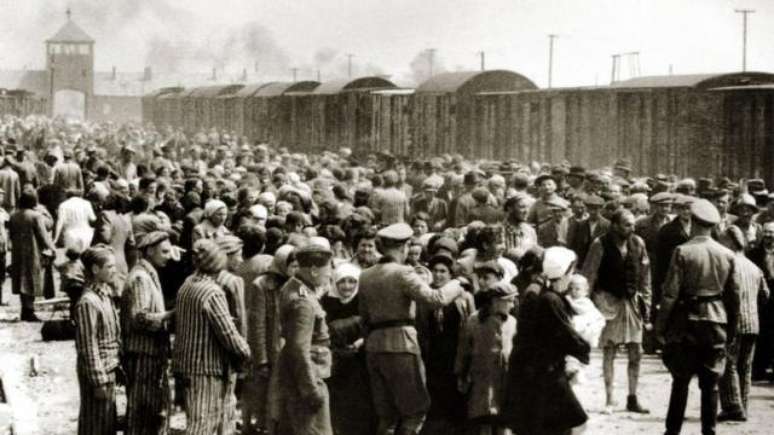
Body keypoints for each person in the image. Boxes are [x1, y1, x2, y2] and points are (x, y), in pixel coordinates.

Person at [359, 223, 465, 435]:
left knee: (387, 415)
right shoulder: (403, 273)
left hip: (374, 346)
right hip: (402, 346)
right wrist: (457, 284)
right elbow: (435, 299)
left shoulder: (366, 275)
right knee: (415, 410)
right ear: (404, 247)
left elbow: (364, 318)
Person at [655, 199, 741, 435]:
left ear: (693, 222)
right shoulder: (727, 254)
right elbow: (734, 298)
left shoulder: (682, 251)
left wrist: (661, 327)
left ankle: (672, 432)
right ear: (712, 226)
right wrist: (731, 330)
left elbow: (670, 294)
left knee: (680, 381)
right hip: (716, 322)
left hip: (686, 322)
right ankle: (709, 431)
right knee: (710, 383)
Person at [502, 247, 590, 435]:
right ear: (563, 272)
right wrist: (584, 347)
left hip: (530, 371)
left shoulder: (539, 292)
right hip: (542, 373)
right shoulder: (550, 299)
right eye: (571, 271)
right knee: (566, 424)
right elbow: (567, 335)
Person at [173, 239, 251, 434]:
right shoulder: (212, 292)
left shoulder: (187, 283)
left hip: (187, 364)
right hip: (207, 368)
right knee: (203, 426)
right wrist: (245, 352)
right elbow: (228, 333)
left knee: (198, 421)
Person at [582, 209, 651, 414]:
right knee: (609, 351)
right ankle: (609, 399)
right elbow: (589, 275)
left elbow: (646, 276)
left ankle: (632, 397)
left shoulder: (638, 243)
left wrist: (646, 302)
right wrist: (588, 306)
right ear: (614, 225)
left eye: (633, 225)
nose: (631, 228)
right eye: (627, 224)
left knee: (636, 352)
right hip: (608, 302)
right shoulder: (599, 244)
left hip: (631, 303)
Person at [276, 242, 335, 435]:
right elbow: (299, 349)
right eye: (328, 269)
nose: (330, 274)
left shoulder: (294, 287)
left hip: (298, 376)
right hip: (307, 378)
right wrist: (311, 390)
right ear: (314, 270)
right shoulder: (303, 301)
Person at [121, 231, 175, 435]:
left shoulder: (148, 274)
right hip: (143, 354)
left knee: (151, 411)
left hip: (150, 353)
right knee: (143, 412)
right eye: (164, 251)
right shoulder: (141, 278)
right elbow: (139, 318)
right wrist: (169, 315)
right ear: (150, 251)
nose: (169, 256)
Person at [718, 226, 770, 421]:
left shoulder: (728, 265)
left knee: (728, 364)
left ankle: (732, 406)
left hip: (734, 322)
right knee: (746, 366)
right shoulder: (754, 267)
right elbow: (765, 295)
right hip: (753, 322)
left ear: (731, 241)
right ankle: (743, 406)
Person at [420, 253, 475, 434]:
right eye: (435, 271)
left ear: (451, 275)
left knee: (456, 396)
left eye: (443, 271)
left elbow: (471, 324)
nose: (438, 275)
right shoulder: (425, 297)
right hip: (433, 354)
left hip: (455, 351)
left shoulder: (464, 297)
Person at [320, 262, 376, 435]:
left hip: (361, 356)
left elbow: (372, 325)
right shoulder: (327, 301)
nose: (347, 286)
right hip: (336, 357)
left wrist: (361, 341)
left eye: (352, 281)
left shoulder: (365, 300)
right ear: (335, 283)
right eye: (342, 282)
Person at [455, 282, 517, 435]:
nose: (512, 304)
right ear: (496, 301)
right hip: (482, 378)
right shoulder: (475, 320)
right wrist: (460, 374)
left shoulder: (512, 322)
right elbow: (463, 350)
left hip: (504, 378)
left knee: (503, 420)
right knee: (483, 418)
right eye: (509, 300)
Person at [73, 245, 122, 435]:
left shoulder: (104, 295)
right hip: (98, 372)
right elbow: (88, 346)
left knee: (106, 424)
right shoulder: (88, 302)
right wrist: (98, 381)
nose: (114, 270)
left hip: (109, 367)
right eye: (109, 266)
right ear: (95, 269)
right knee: (95, 425)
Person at [9, 189, 56, 321]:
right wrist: (52, 248)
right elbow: (43, 235)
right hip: (32, 251)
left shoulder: (13, 215)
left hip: (17, 252)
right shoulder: (36, 216)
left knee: (21, 279)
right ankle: (29, 311)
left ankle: (25, 309)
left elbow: (11, 234)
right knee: (31, 279)